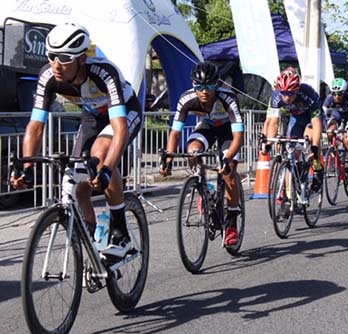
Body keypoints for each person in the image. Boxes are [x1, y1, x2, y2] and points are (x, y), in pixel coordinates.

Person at [10, 23, 142, 258]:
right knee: (78, 180)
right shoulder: (49, 76)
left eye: (64, 58)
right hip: (93, 115)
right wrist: (27, 167)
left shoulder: (103, 72)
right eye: (51, 56)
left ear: (82, 58)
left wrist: (107, 170)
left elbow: (120, 129)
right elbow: (36, 125)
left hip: (124, 112)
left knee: (100, 156)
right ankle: (92, 242)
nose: (56, 64)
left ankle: (120, 231)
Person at [159, 61, 244, 247]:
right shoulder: (187, 99)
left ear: (217, 84)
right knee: (192, 150)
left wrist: (228, 159)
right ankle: (204, 186)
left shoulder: (228, 98)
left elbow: (239, 136)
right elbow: (175, 132)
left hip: (228, 131)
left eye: (209, 86)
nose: (204, 91)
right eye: (200, 87)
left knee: (229, 172)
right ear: (194, 86)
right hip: (207, 127)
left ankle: (231, 224)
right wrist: (169, 159)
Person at [260, 67, 324, 191]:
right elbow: (273, 122)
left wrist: (315, 146)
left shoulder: (307, 93)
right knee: (292, 151)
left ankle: (317, 168)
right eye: (283, 93)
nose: (287, 98)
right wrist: (268, 143)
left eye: (290, 94)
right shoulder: (276, 97)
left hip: (311, 117)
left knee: (309, 137)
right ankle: (289, 197)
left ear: (297, 90)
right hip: (297, 117)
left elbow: (316, 124)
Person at [323, 78, 348, 185]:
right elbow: (322, 114)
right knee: (330, 132)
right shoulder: (329, 99)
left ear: (344, 92)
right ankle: (334, 153)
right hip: (336, 116)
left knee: (347, 140)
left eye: (339, 94)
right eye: (334, 94)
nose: (336, 96)